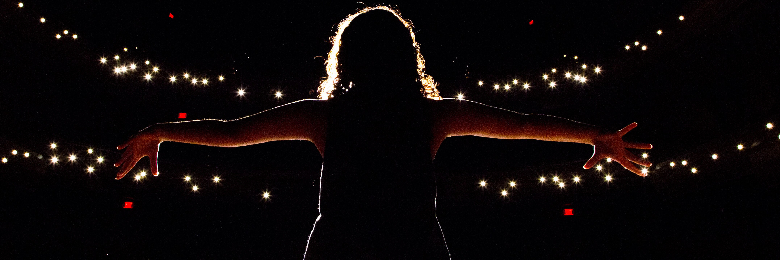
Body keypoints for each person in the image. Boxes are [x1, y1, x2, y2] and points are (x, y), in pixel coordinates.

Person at [114, 7, 652, 260]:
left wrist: (161, 131)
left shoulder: (323, 116)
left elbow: (233, 133)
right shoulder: (430, 116)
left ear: (344, 57)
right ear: (406, 56)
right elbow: (525, 126)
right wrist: (594, 137)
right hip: (411, 248)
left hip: (342, 250)